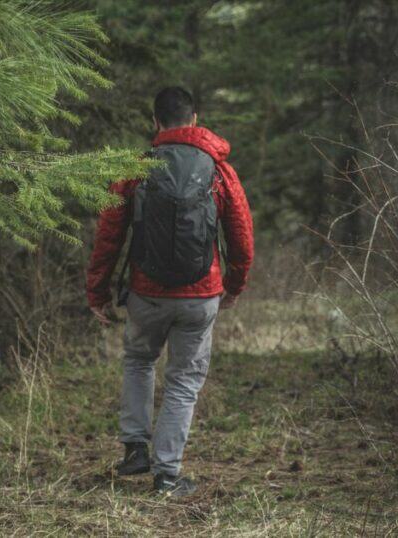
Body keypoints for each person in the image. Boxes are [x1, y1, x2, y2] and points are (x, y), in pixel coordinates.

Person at [85, 86, 254, 497]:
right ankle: (167, 476)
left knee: (139, 361)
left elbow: (109, 236)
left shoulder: (137, 168)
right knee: (183, 380)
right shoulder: (219, 170)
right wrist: (233, 285)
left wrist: (98, 292)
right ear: (194, 120)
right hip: (201, 295)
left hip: (147, 292)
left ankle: (134, 450)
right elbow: (241, 236)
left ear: (156, 123)